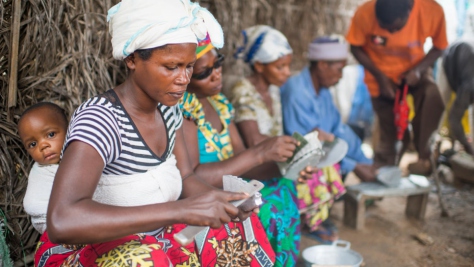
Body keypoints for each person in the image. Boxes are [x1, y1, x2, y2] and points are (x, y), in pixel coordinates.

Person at [34, 1, 268, 266]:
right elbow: (62, 220)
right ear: (132, 59)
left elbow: (186, 177)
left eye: (189, 66)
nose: (184, 79)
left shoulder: (169, 110)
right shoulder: (100, 119)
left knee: (230, 228)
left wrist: (223, 200)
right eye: (171, 67)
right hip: (89, 248)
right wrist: (179, 210)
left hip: (154, 236)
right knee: (144, 259)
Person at [180, 33, 305, 266]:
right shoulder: (185, 110)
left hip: (235, 186)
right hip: (207, 194)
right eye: (204, 72)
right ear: (184, 76)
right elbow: (193, 178)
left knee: (286, 185)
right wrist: (259, 153)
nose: (217, 74)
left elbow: (240, 160)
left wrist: (288, 166)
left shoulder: (220, 104)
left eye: (217, 64)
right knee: (270, 209)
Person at [229, 26, 346, 244]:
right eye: (280, 66)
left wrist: (307, 140)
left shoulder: (273, 90)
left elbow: (277, 133)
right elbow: (253, 141)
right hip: (254, 167)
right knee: (308, 178)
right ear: (259, 66)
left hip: (275, 159)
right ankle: (303, 225)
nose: (286, 72)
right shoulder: (242, 90)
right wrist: (300, 143)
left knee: (325, 167)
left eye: (288, 66)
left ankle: (309, 222)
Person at [346, 0, 448, 175]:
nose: (390, 33)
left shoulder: (431, 11)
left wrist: (418, 71)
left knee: (432, 96)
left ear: (409, 10)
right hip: (379, 77)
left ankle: (424, 155)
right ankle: (380, 179)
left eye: (394, 28)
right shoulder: (365, 12)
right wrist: (380, 77)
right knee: (391, 134)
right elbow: (354, 47)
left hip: (415, 70)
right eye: (384, 28)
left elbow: (439, 47)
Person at [280, 35, 375, 182]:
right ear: (323, 65)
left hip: (323, 155)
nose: (341, 76)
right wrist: (354, 166)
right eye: (339, 70)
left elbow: (340, 130)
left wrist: (365, 163)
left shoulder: (323, 91)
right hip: (299, 169)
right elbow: (306, 149)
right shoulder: (296, 92)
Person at [18, 102, 68, 234]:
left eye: (50, 135)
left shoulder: (83, 154)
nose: (43, 146)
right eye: (33, 144)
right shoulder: (40, 172)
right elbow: (34, 204)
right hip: (57, 229)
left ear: (69, 129)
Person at [437, 40, 474, 154]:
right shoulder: (468, 88)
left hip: (464, 63)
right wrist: (467, 146)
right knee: (440, 106)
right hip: (448, 61)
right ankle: (431, 147)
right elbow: (454, 118)